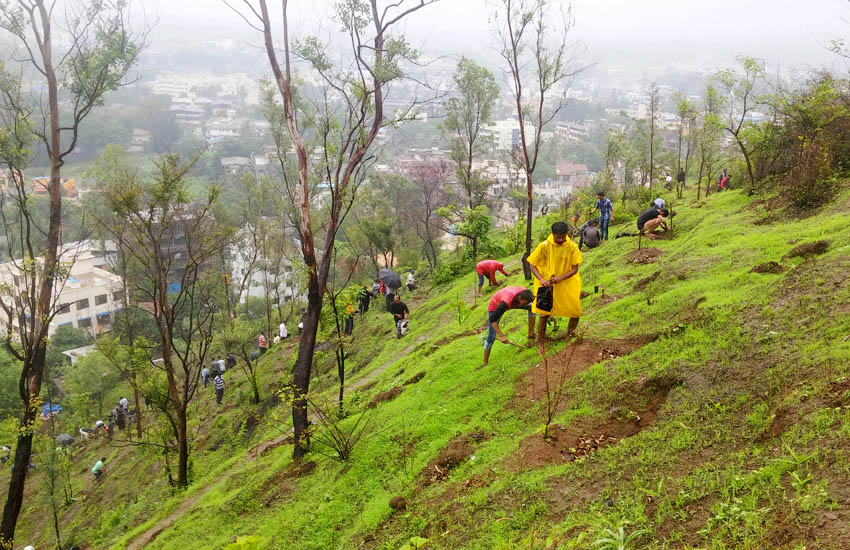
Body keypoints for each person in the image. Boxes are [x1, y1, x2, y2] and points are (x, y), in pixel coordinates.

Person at [528, 222, 583, 340]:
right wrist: (541, 279)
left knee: (575, 311)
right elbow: (532, 264)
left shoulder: (572, 247)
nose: (562, 239)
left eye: (564, 237)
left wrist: (561, 278)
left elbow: (575, 269)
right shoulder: (544, 246)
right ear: (553, 234)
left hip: (567, 284)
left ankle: (570, 336)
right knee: (544, 314)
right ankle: (541, 340)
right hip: (547, 285)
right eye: (559, 237)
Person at [482, 287, 535, 366]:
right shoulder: (505, 302)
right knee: (492, 335)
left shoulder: (525, 293)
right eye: (525, 303)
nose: (526, 304)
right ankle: (485, 362)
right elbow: (492, 320)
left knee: (532, 307)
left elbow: (535, 304)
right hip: (496, 305)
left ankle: (531, 335)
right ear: (520, 298)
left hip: (512, 300)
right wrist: (501, 336)